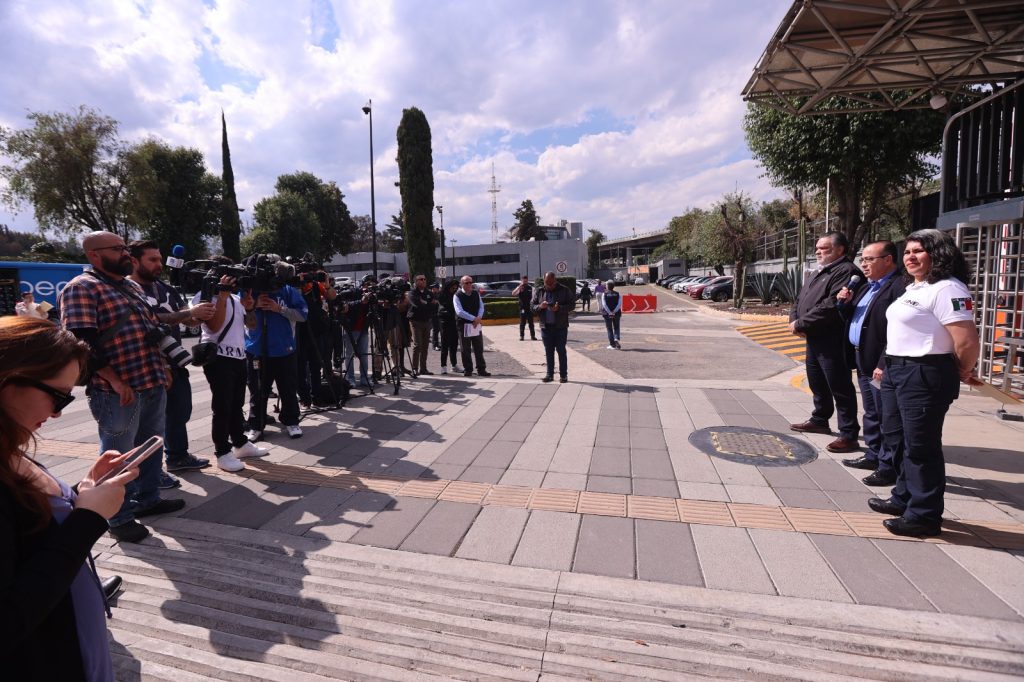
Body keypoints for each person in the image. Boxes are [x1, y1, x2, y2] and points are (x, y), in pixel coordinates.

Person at [0, 316, 141, 681]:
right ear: (6, 379)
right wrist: (87, 521)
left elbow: (32, 533)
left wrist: (81, 493)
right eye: (58, 394)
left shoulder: (11, 446)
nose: (60, 410)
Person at [59, 231, 186, 544]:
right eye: (117, 249)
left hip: (150, 379)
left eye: (125, 247)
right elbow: (80, 340)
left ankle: (148, 499)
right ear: (94, 255)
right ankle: (117, 517)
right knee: (119, 454)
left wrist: (164, 366)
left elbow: (150, 329)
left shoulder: (129, 285)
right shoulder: (81, 288)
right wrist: (114, 378)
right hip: (116, 389)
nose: (126, 253)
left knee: (150, 446)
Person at [867, 229, 980, 538]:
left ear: (938, 254)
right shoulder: (915, 286)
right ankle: (903, 498)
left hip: (924, 372)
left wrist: (963, 369)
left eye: (919, 251)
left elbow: (967, 340)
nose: (910, 256)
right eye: (907, 252)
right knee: (898, 439)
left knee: (921, 446)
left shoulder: (948, 289)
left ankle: (924, 515)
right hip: (896, 369)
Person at [128, 240, 214, 488]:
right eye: (151, 260)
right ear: (135, 261)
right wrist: (189, 313)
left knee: (180, 412)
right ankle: (149, 476)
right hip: (147, 365)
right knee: (149, 425)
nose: (158, 264)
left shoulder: (165, 288)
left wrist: (198, 315)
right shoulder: (129, 290)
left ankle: (177, 456)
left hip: (175, 360)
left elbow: (185, 320)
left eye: (159, 259)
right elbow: (152, 317)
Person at [836, 241, 905, 486]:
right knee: (872, 412)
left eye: (869, 259)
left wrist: (883, 361)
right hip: (861, 357)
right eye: (862, 260)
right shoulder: (866, 287)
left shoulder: (899, 287)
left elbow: (897, 331)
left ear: (888, 260)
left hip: (879, 362)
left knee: (887, 415)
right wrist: (844, 303)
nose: (863, 264)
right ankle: (873, 454)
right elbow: (855, 318)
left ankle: (888, 466)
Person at [788, 232, 862, 453]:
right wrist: (795, 320)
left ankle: (848, 434)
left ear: (840, 250)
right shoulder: (820, 271)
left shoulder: (847, 272)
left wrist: (802, 323)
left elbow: (831, 306)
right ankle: (820, 419)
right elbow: (800, 299)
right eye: (818, 248)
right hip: (814, 338)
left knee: (839, 386)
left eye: (825, 248)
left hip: (832, 340)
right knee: (816, 381)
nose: (819, 252)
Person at [191, 267, 268, 472]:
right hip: (218, 358)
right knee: (223, 407)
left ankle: (240, 444)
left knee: (236, 405)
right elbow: (214, 327)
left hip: (239, 357)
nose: (233, 280)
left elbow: (251, 326)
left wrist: (250, 308)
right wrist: (222, 297)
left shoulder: (235, 298)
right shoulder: (204, 296)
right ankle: (222, 452)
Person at [244, 261, 308, 441]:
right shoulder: (250, 289)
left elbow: (303, 315)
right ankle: (256, 425)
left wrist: (278, 308)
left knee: (287, 388)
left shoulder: (288, 290)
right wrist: (253, 305)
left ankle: (291, 421)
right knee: (257, 390)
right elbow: (238, 313)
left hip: (284, 349)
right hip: (256, 348)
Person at [295, 265, 336, 409]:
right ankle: (304, 399)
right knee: (300, 368)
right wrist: (298, 284)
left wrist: (326, 285)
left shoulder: (316, 285)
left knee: (316, 366)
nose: (308, 276)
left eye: (311, 273)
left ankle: (316, 397)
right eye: (305, 274)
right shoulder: (294, 285)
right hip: (300, 331)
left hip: (316, 330)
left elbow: (331, 297)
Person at [531, 272, 575, 383]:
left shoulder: (564, 290)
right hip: (546, 327)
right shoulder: (540, 291)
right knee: (549, 351)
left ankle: (563, 375)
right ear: (544, 281)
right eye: (547, 283)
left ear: (555, 280)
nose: (549, 285)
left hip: (560, 327)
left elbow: (572, 304)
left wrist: (559, 308)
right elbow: (532, 306)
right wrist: (540, 306)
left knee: (561, 351)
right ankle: (549, 374)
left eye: (551, 283)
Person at [453, 276, 490, 377]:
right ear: (461, 284)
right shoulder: (457, 295)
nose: (469, 284)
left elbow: (481, 307)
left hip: (476, 325)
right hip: (464, 325)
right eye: (466, 283)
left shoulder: (475, 293)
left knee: (479, 347)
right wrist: (474, 319)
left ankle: (481, 369)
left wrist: (478, 318)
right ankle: (468, 369)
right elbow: (459, 312)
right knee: (465, 349)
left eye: (470, 282)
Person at [408, 274, 438, 375]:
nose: (424, 281)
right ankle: (414, 368)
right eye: (421, 279)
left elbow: (434, 307)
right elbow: (416, 305)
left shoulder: (428, 292)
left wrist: (425, 303)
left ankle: (423, 369)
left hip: (427, 321)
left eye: (425, 279)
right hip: (416, 322)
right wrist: (428, 304)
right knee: (417, 345)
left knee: (425, 346)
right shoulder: (412, 293)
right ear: (416, 282)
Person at [437, 279, 462, 375]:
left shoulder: (456, 295)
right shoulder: (442, 294)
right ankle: (443, 366)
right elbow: (443, 307)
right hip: (444, 322)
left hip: (454, 322)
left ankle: (454, 365)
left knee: (454, 344)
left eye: (456, 287)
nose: (455, 288)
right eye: (453, 287)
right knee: (444, 344)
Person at [600, 279, 622, 349]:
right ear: (613, 286)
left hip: (607, 314)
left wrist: (610, 312)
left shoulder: (604, 294)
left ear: (607, 286)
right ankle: (616, 338)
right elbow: (619, 304)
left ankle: (612, 345)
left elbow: (604, 304)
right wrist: (614, 311)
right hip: (617, 313)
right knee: (616, 327)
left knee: (609, 329)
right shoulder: (618, 294)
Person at [512, 275, 536, 341]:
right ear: (521, 280)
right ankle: (522, 336)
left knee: (531, 323)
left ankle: (533, 336)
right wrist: (519, 287)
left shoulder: (531, 288)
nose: (525, 282)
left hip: (529, 308)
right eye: (523, 281)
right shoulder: (519, 288)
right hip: (522, 308)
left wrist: (532, 305)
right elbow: (513, 293)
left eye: (526, 281)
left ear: (527, 280)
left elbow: (534, 297)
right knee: (522, 323)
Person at [429, 281, 442, 351]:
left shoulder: (438, 294)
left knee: (439, 329)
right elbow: (429, 303)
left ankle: (438, 344)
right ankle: (435, 345)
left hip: (439, 314)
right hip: (433, 315)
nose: (433, 289)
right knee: (435, 330)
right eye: (433, 288)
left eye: (435, 288)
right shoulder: (430, 294)